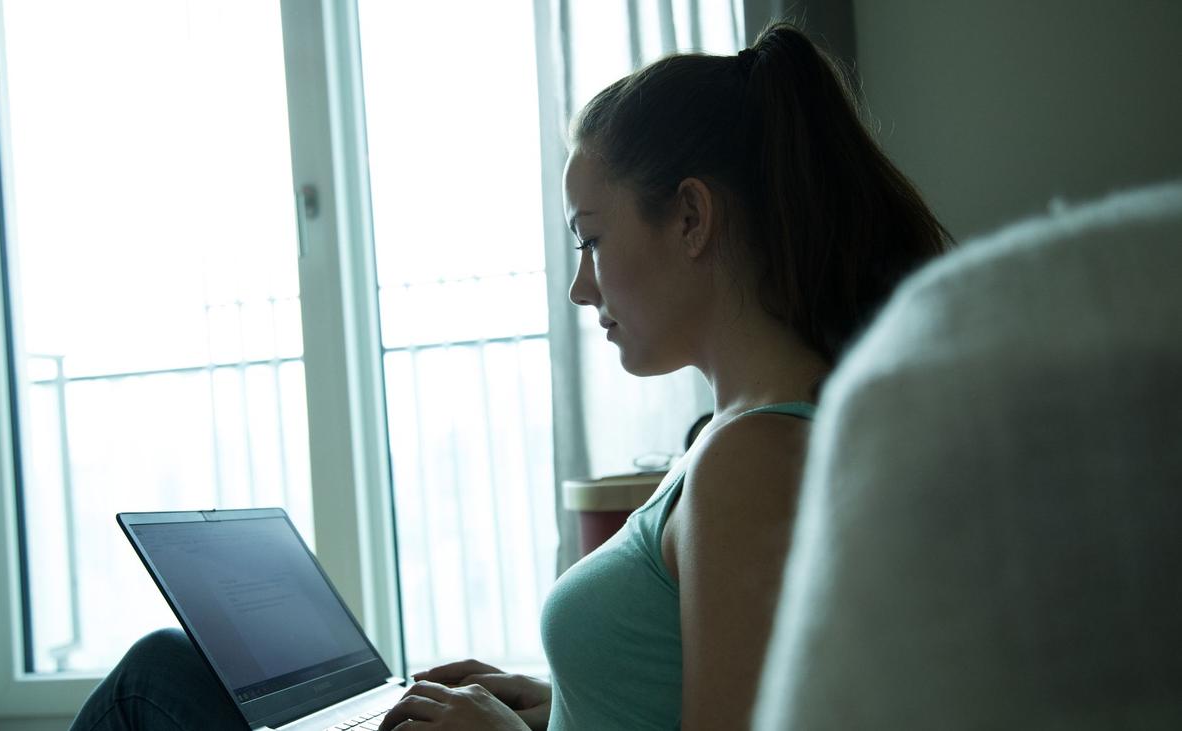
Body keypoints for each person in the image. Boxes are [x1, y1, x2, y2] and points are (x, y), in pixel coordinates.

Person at [71, 22, 947, 731]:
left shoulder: (754, 460)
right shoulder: (737, 437)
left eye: (591, 239)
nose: (581, 286)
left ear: (690, 217)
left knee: (155, 678)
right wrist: (559, 702)